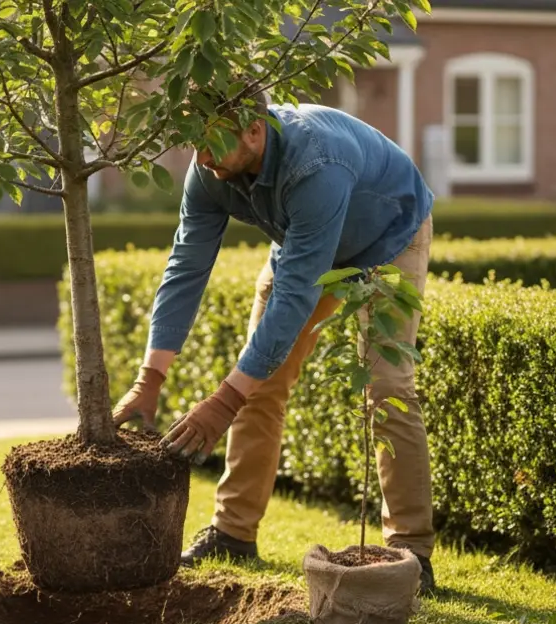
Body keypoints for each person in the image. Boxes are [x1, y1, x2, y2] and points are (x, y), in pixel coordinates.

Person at [111, 93, 437, 593]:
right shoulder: (211, 170)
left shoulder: (316, 162)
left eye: (211, 144)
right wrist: (148, 378)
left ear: (254, 132)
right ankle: (232, 532)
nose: (201, 158)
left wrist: (223, 401)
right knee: (260, 383)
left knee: (388, 389)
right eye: (195, 145)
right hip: (305, 242)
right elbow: (187, 266)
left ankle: (410, 550)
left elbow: (295, 296)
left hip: (388, 239)